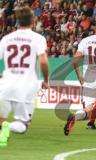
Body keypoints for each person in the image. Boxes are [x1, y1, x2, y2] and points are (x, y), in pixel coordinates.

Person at [0, 6, 49, 146]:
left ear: (17, 20)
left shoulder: (7, 38)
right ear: (33, 21)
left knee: (1, 118)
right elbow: (44, 62)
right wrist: (46, 80)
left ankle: (3, 132)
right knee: (23, 125)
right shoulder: (38, 38)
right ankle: (7, 127)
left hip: (6, 84)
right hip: (27, 86)